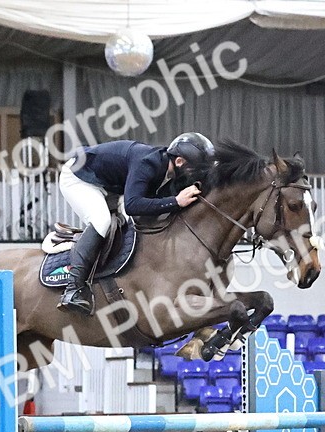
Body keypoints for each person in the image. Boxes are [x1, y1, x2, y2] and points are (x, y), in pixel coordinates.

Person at [56, 132, 214, 314]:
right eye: (195, 170)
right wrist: (176, 201)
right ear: (179, 162)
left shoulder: (167, 170)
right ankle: (73, 289)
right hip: (79, 177)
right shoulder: (147, 163)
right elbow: (132, 205)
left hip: (109, 185)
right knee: (102, 221)